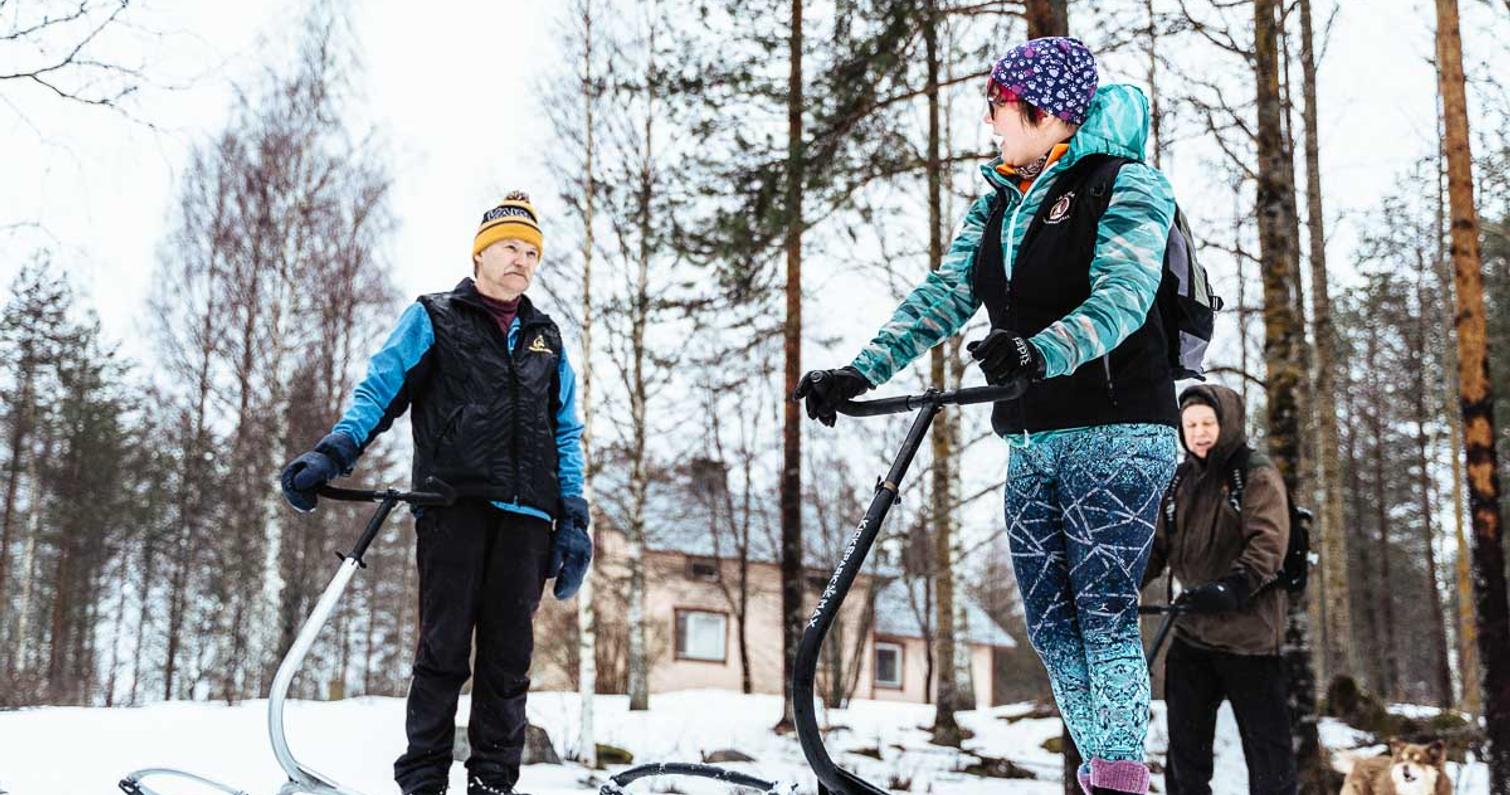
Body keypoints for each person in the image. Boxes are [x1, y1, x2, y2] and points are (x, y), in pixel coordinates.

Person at [795, 37, 1179, 795]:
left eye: (999, 105)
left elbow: (1124, 298)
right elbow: (943, 295)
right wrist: (858, 370)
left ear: (1046, 111)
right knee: (1050, 624)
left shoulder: (1127, 184)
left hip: (1120, 429)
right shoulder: (1000, 199)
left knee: (1100, 612)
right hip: (1032, 436)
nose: (991, 120)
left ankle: (1121, 780)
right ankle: (1104, 772)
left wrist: (1038, 351)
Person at [278, 191, 592, 795]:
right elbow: (380, 391)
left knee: (508, 663)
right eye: (510, 247)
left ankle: (494, 783)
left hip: (530, 519)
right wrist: (333, 451)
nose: (522, 260)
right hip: (453, 509)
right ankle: (423, 782)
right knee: (442, 650)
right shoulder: (434, 316)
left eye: (532, 252)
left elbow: (566, 432)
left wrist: (573, 518)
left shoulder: (546, 340)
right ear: (480, 253)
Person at [1143, 384, 1295, 795]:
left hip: (1251, 638)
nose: (1199, 432)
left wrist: (1232, 587)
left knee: (1269, 759)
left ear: (1226, 423)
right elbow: (1157, 547)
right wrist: (1122, 586)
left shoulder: (1253, 474)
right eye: (1190, 424)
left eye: (1207, 422)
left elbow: (1268, 545)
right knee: (1185, 757)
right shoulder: (1178, 483)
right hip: (1193, 634)